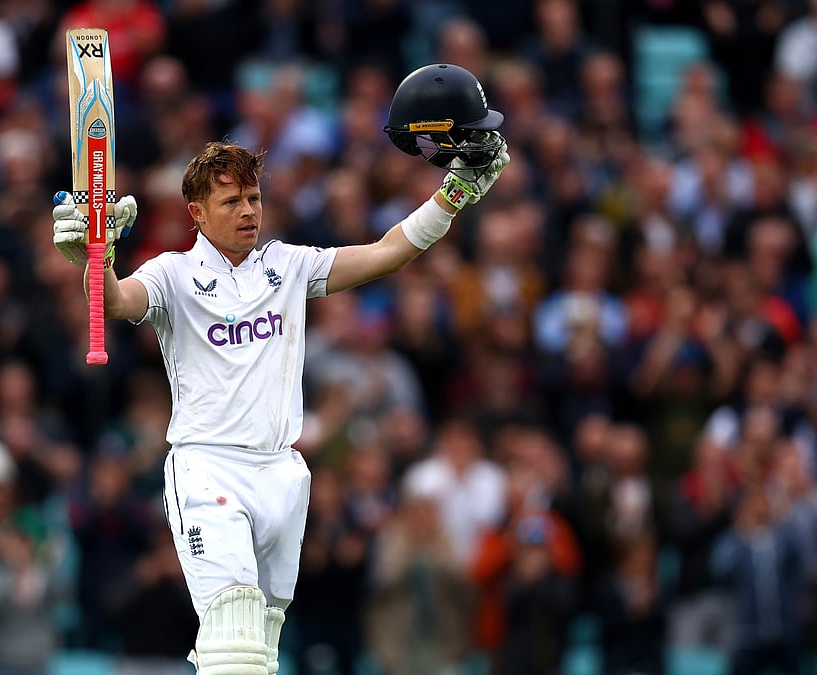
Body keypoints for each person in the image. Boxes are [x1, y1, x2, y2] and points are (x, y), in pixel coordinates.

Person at [50, 62, 511, 674]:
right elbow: (119, 300)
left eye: (254, 197)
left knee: (260, 648)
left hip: (282, 474)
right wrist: (91, 256)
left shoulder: (287, 266)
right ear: (196, 211)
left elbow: (386, 253)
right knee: (232, 641)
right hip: (208, 466)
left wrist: (452, 194)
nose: (248, 211)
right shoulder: (172, 274)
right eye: (231, 200)